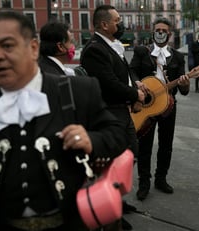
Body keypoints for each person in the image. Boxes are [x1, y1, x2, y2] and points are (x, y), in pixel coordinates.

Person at [0, 11, 127, 231]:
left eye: (7, 46)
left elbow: (118, 133)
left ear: (33, 48)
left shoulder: (79, 90)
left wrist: (92, 140)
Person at [79, 5, 145, 230]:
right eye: (117, 21)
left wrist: (135, 82)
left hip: (121, 110)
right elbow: (108, 84)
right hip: (109, 112)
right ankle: (109, 210)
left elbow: (123, 72)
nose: (121, 24)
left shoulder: (111, 45)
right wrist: (135, 94)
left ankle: (117, 199)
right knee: (114, 161)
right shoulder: (95, 49)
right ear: (104, 24)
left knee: (128, 155)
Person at [130, 17, 190, 201]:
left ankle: (161, 179)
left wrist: (185, 84)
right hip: (145, 106)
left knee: (166, 145)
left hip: (168, 107)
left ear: (169, 34)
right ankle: (144, 183)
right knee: (144, 146)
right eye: (158, 29)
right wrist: (137, 82)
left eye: (164, 30)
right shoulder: (142, 51)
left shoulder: (178, 57)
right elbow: (131, 71)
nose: (161, 32)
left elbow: (183, 90)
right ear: (153, 31)